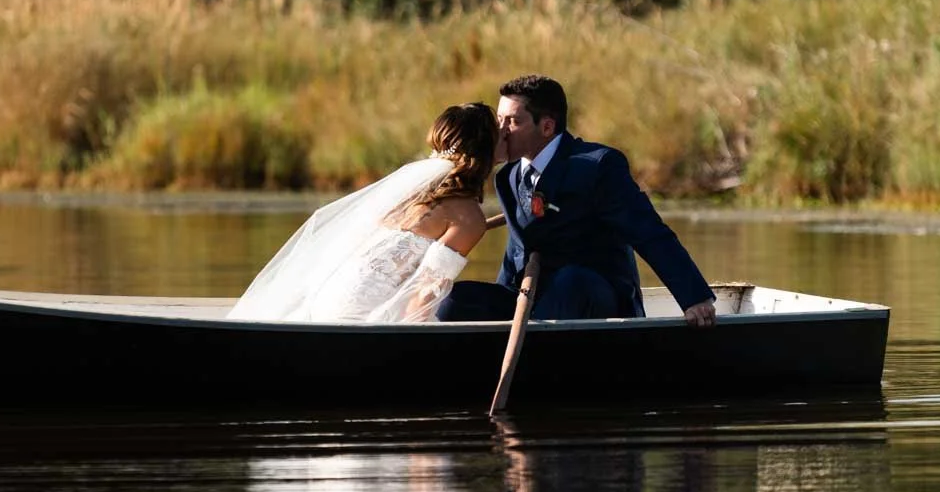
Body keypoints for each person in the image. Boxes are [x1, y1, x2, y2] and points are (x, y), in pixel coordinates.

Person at [437, 74, 717, 326]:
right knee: (455, 300)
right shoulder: (508, 177)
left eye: (513, 121)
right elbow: (517, 255)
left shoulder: (596, 167)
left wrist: (693, 298)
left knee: (570, 283)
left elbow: (649, 233)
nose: (501, 130)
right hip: (534, 301)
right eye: (499, 120)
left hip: (592, 297)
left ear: (547, 127)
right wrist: (502, 312)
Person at [229, 103, 503, 323]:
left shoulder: (410, 191)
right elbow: (425, 290)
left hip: (326, 298)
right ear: (487, 151)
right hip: (357, 314)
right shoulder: (468, 218)